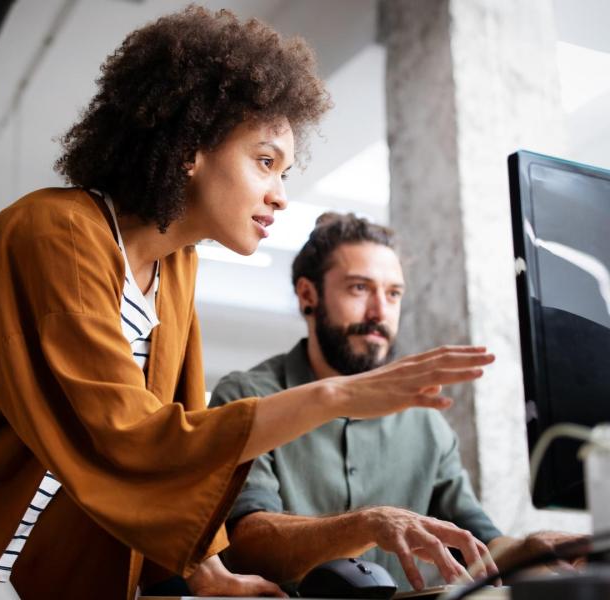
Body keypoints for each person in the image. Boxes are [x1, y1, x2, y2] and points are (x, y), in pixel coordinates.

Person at [0, 9, 495, 600]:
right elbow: (132, 438)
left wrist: (211, 574)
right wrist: (335, 396)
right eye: (264, 162)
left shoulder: (175, 268)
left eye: (286, 173)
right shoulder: (58, 234)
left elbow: (182, 437)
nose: (281, 195)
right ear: (191, 146)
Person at [210, 212, 584, 593]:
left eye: (393, 294)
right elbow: (246, 545)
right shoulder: (247, 397)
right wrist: (367, 524)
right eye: (359, 288)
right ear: (308, 295)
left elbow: (478, 539)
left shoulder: (425, 420)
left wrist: (531, 550)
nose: (379, 313)